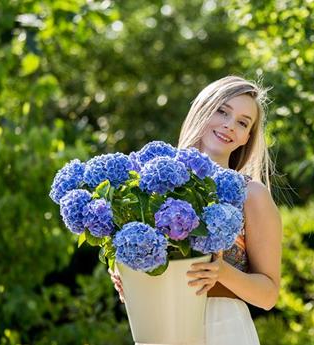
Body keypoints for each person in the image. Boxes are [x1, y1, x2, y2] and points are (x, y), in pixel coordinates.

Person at [109, 76, 283, 345]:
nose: (229, 125)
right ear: (202, 109)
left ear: (247, 137)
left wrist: (221, 271)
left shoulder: (253, 195)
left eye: (242, 122)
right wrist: (130, 275)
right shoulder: (149, 185)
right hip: (161, 325)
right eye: (222, 111)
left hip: (223, 328)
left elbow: (268, 295)